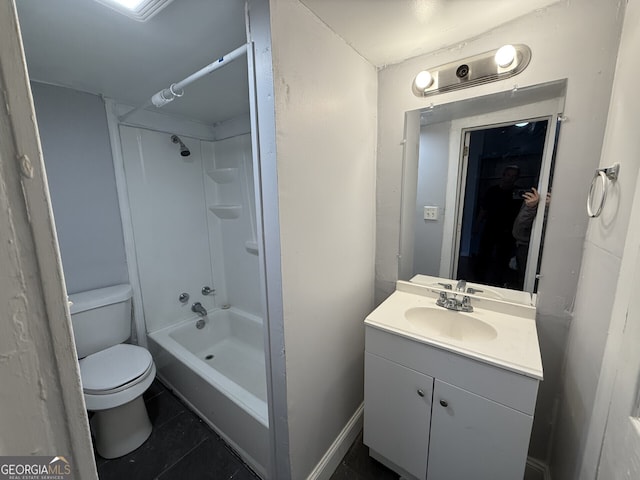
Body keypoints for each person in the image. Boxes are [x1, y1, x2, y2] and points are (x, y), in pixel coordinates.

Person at [474, 165, 523, 286]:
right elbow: (483, 209)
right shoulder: (492, 191)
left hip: (509, 231)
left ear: (517, 178)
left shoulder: (518, 194)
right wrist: (477, 225)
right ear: (503, 175)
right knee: (484, 254)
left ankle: (498, 283)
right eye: (508, 175)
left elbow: (522, 214)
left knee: (503, 258)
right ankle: (478, 280)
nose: (510, 178)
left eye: (513, 176)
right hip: (491, 227)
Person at [512, 187, 550, 289]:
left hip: (550, 250)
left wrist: (550, 207)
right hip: (526, 248)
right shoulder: (533, 199)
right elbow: (518, 232)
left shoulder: (562, 204)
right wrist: (531, 207)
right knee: (524, 282)